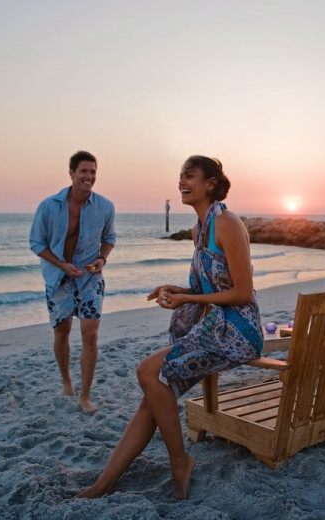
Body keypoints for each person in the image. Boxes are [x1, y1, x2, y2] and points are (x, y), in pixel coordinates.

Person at [75, 155, 263, 499]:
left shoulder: (228, 224)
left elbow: (242, 292)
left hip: (237, 331)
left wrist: (193, 302)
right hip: (213, 329)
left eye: (190, 176)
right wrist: (183, 291)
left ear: (211, 183)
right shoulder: (199, 230)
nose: (181, 182)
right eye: (180, 177)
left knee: (148, 371)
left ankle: (180, 461)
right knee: (152, 398)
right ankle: (104, 483)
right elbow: (212, 288)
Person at [29, 150, 116, 415]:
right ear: (71, 173)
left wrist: (102, 259)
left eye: (92, 172)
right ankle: (67, 381)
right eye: (84, 171)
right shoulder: (49, 206)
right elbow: (37, 243)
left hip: (91, 278)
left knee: (90, 333)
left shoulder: (105, 206)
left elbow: (109, 238)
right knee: (62, 332)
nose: (89, 177)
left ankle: (85, 396)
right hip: (59, 278)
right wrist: (62, 265)